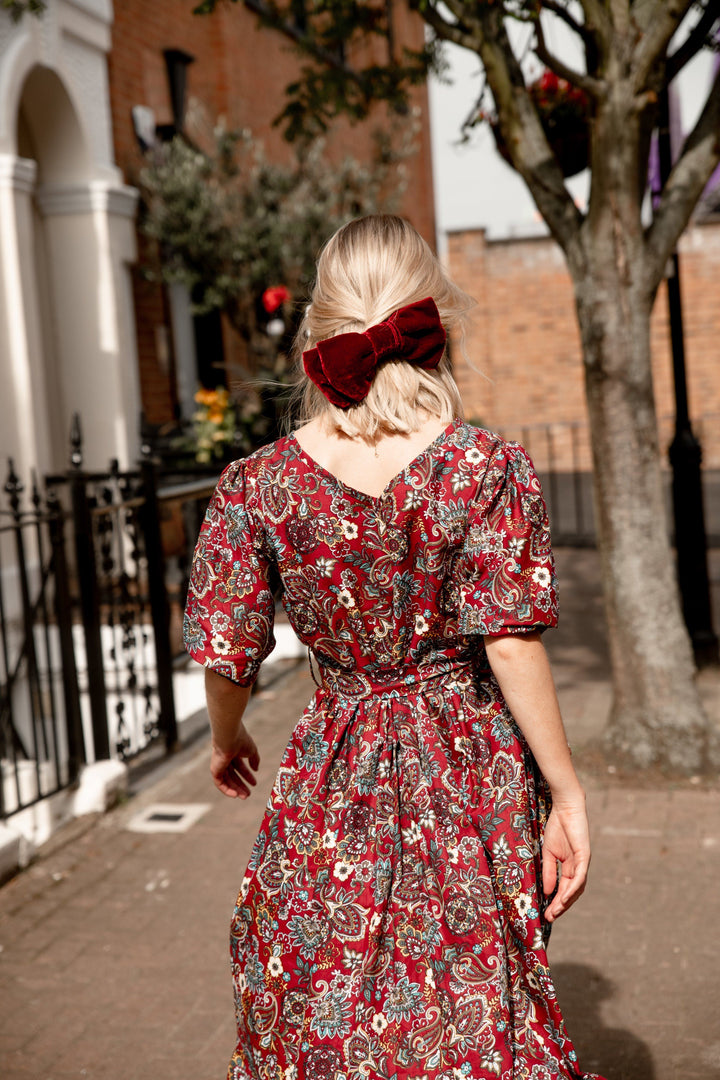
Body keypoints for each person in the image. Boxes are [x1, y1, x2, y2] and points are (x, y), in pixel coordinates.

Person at [184, 214, 604, 1080]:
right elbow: (510, 644)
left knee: (324, 992)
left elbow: (226, 655)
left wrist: (227, 739)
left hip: (334, 767)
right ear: (432, 319)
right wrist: (566, 791)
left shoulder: (257, 485)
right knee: (474, 987)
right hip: (469, 760)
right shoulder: (485, 467)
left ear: (318, 329)